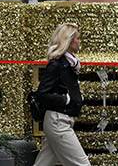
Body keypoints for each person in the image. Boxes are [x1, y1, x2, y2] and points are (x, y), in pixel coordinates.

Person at [33, 22, 90, 166]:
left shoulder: (69, 64)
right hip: (58, 121)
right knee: (82, 164)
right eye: (77, 38)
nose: (79, 41)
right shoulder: (57, 64)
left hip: (61, 119)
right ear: (69, 41)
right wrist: (65, 99)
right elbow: (42, 94)